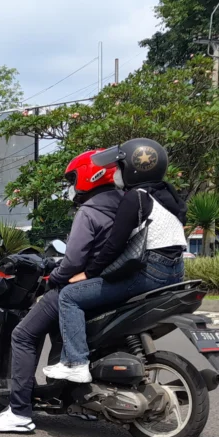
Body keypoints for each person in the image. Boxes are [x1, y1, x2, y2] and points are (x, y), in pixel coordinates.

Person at [0, 149, 126, 433]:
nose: (73, 185)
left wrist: (55, 278)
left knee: (23, 335)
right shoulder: (126, 205)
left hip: (81, 284)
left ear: (89, 174)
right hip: (112, 285)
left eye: (74, 178)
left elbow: (74, 260)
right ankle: (75, 400)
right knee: (61, 332)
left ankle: (20, 413)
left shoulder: (90, 211)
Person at [45, 138, 188, 383]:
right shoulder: (168, 197)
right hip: (176, 271)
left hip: (150, 272)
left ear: (133, 169)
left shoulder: (136, 197)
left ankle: (76, 363)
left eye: (120, 167)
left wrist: (89, 273)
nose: (116, 175)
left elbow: (114, 245)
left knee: (70, 296)